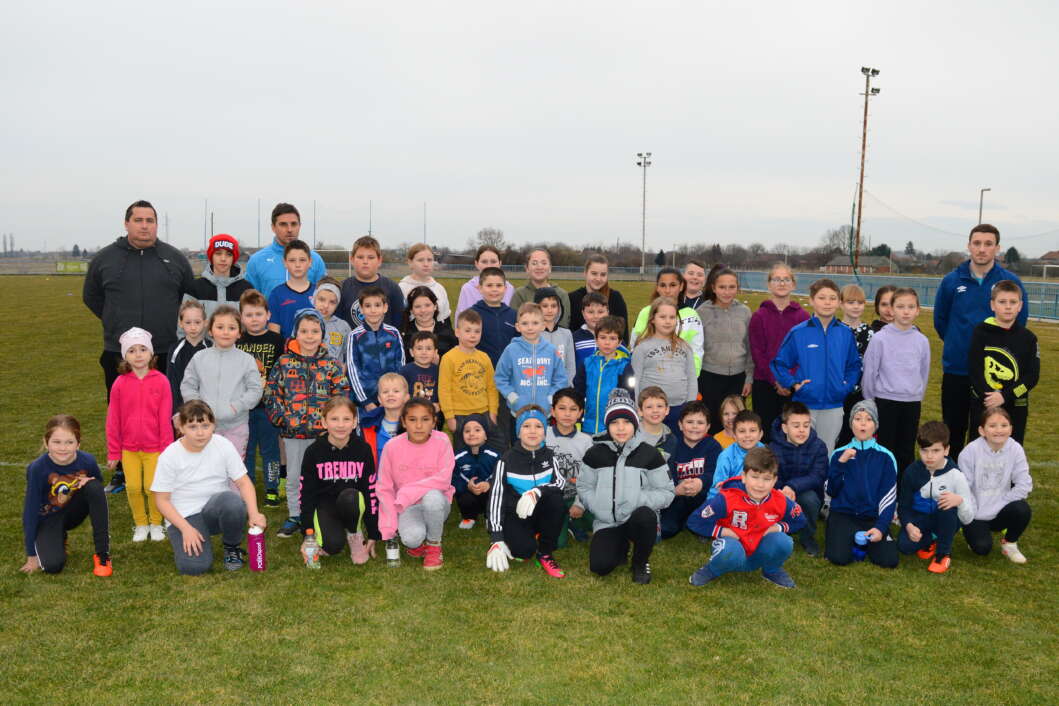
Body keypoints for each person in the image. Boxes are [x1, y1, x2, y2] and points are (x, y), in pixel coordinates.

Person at [84, 200, 193, 492]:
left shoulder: (173, 258)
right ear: (126, 223)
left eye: (150, 220)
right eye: (139, 220)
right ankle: (122, 469)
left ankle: (170, 468)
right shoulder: (106, 258)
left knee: (168, 410)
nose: (145, 225)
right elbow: (92, 297)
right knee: (123, 410)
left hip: (165, 350)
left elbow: (187, 296)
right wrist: (117, 326)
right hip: (120, 355)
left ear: (156, 224)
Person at [934, 224, 1028, 457]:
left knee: (986, 432)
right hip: (957, 369)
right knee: (954, 431)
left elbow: (1019, 322)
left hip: (992, 375)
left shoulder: (1009, 281)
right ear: (969, 246)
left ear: (997, 248)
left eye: (988, 244)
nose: (982, 249)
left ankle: (986, 485)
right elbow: (941, 321)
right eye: (977, 243)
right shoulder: (951, 281)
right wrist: (959, 344)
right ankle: (954, 481)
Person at [151, 400, 267, 575]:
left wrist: (254, 513)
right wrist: (185, 528)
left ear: (213, 425)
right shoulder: (169, 456)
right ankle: (194, 538)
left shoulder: (222, 444)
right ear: (181, 428)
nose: (200, 433)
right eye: (192, 427)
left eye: (205, 425)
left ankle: (232, 546)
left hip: (215, 509)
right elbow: (161, 500)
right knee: (195, 567)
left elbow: (243, 482)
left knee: (232, 502)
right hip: (185, 515)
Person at [265, 309, 350, 538]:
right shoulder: (283, 363)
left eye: (315, 331)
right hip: (294, 434)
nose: (310, 336)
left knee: (324, 474)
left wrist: (334, 424)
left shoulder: (331, 365)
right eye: (304, 331)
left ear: (322, 334)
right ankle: (295, 515)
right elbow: (272, 394)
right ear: (295, 334)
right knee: (294, 476)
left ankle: (323, 512)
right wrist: (282, 419)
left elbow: (341, 396)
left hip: (324, 435)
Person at [578, 389, 674, 583]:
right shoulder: (594, 453)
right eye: (614, 422)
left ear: (635, 424)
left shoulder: (649, 453)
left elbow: (666, 492)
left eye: (627, 422)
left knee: (646, 516)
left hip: (636, 519)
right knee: (600, 567)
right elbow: (584, 486)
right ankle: (620, 545)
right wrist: (596, 504)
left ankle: (640, 562)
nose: (621, 428)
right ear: (607, 425)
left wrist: (638, 500)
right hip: (607, 521)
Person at [687, 447, 806, 589]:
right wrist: (725, 532)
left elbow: (800, 520)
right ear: (744, 476)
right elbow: (695, 521)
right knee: (729, 549)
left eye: (767, 479)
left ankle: (771, 570)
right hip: (733, 548)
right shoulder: (727, 498)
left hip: (760, 548)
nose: (760, 485)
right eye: (754, 477)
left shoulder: (780, 500)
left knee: (784, 541)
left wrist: (776, 528)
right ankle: (712, 570)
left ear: (775, 480)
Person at [771, 278, 862, 457]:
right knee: (801, 451)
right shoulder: (799, 332)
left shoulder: (845, 333)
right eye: (822, 298)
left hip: (834, 404)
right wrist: (794, 385)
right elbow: (780, 363)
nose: (827, 302)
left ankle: (824, 485)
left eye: (832, 298)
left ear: (838, 302)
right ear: (812, 300)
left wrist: (845, 387)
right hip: (805, 405)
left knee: (827, 451)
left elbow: (854, 365)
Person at [21, 415, 111, 576]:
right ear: (46, 442)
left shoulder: (87, 460)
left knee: (94, 487)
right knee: (52, 566)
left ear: (78, 444)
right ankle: (58, 538)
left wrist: (89, 481)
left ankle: (103, 554)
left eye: (69, 442)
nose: (63, 448)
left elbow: (97, 488)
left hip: (73, 511)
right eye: (57, 442)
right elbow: (30, 510)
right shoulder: (37, 468)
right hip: (49, 518)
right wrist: (31, 555)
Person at [106, 327, 173, 542]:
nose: (138, 355)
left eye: (143, 349)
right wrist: (114, 451)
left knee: (153, 487)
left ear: (151, 353)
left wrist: (166, 449)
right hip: (129, 449)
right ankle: (140, 524)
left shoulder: (161, 381)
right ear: (125, 355)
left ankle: (156, 523)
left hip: (155, 448)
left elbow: (165, 418)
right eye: (132, 350)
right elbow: (113, 419)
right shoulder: (119, 384)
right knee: (134, 487)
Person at [485, 406, 568, 578]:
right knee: (522, 552)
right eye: (526, 426)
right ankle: (526, 537)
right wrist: (496, 538)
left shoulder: (550, 456)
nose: (532, 431)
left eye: (538, 426)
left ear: (545, 432)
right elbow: (496, 498)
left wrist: (538, 491)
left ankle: (545, 553)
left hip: (542, 509)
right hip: (516, 513)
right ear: (518, 432)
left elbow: (560, 483)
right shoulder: (506, 460)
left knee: (557, 501)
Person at [297, 396, 379, 565]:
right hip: (326, 505)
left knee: (351, 496)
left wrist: (373, 533)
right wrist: (308, 534)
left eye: (346, 419)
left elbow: (370, 491)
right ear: (324, 422)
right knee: (332, 546)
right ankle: (334, 531)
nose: (341, 425)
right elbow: (306, 494)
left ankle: (354, 534)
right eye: (334, 419)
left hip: (352, 503)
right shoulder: (314, 451)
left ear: (355, 422)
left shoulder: (363, 449)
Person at [861, 288, 931, 480]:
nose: (906, 311)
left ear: (918, 310)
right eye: (900, 306)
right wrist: (870, 401)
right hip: (885, 402)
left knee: (906, 450)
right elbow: (870, 371)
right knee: (885, 450)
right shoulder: (880, 338)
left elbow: (923, 372)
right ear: (892, 309)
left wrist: (917, 395)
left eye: (910, 307)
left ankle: (902, 494)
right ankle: (882, 492)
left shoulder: (922, 340)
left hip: (911, 403)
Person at [376, 399, 455, 570]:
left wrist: (407, 492)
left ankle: (434, 545)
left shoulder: (442, 441)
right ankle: (420, 542)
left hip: (438, 503)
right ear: (403, 422)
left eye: (425, 419)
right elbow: (384, 488)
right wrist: (389, 525)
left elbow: (444, 479)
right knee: (411, 540)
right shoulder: (392, 446)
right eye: (412, 419)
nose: (419, 425)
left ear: (434, 421)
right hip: (408, 506)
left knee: (432, 497)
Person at [823, 400, 899, 569]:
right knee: (838, 558)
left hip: (872, 517)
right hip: (843, 514)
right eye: (858, 418)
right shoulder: (838, 454)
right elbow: (831, 491)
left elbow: (889, 497)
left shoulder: (886, 457)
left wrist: (880, 527)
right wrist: (840, 464)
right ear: (851, 424)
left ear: (875, 425)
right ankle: (848, 538)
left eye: (868, 419)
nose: (863, 423)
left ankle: (872, 538)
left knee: (889, 560)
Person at [181, 306, 263, 461]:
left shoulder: (246, 360)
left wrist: (236, 406)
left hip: (236, 426)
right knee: (206, 466)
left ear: (239, 333)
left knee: (233, 468)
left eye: (231, 328)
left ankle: (232, 487)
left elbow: (255, 390)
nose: (225, 332)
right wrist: (199, 407)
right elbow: (188, 385)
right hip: (204, 427)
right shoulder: (199, 357)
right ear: (210, 331)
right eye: (220, 327)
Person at [897, 421, 976, 574]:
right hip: (920, 518)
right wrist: (908, 525)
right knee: (905, 547)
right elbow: (904, 506)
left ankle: (942, 554)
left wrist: (959, 501)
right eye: (924, 450)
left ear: (946, 450)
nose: (930, 456)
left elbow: (968, 519)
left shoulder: (956, 475)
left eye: (936, 450)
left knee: (947, 504)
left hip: (946, 518)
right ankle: (931, 538)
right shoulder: (912, 472)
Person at [958, 407, 1033, 563]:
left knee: (1022, 509)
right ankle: (973, 534)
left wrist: (1000, 503)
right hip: (975, 512)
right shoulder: (970, 451)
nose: (999, 430)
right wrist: (973, 512)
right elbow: (964, 487)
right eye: (992, 426)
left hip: (1000, 509)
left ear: (1011, 429)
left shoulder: (1015, 448)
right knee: (982, 548)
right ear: (982, 430)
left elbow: (1024, 484)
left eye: (1004, 425)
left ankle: (1010, 544)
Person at [968, 280, 1039, 445]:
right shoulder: (980, 332)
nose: (1008, 307)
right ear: (992, 305)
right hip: (984, 403)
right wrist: (990, 398)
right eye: (1002, 302)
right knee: (979, 451)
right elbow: (975, 369)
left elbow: (1032, 376)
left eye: (1013, 302)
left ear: (1020, 306)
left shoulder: (1029, 338)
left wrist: (1005, 396)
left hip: (1016, 405)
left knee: (1010, 452)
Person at [748, 263, 809, 441]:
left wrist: (789, 381)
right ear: (769, 284)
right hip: (766, 384)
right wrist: (776, 380)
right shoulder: (759, 316)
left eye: (786, 279)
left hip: (793, 386)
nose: (781, 283)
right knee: (766, 433)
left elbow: (803, 353)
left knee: (792, 434)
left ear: (793, 284)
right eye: (776, 279)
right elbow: (758, 352)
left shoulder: (803, 316)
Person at [236, 289, 284, 504]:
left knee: (270, 450)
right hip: (243, 408)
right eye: (248, 315)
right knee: (246, 450)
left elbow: (284, 372)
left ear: (268, 315)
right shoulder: (237, 341)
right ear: (241, 318)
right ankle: (249, 488)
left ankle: (272, 488)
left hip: (268, 407)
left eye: (258, 314)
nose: (254, 319)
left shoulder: (276, 340)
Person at [695, 267, 753, 434]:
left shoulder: (744, 312)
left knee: (736, 422)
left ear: (737, 287)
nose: (727, 292)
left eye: (731, 287)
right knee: (713, 421)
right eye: (722, 287)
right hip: (710, 377)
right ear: (713, 288)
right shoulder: (702, 312)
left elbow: (750, 347)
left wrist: (749, 378)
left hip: (738, 378)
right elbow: (696, 348)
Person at [768, 402, 828, 557]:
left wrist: (793, 486)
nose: (802, 430)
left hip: (806, 492)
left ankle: (807, 537)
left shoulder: (818, 446)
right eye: (796, 426)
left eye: (806, 425)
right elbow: (770, 475)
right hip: (779, 491)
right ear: (785, 428)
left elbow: (818, 475)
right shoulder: (773, 448)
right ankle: (778, 532)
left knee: (809, 499)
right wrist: (783, 490)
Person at [632, 298, 698, 433]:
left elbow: (692, 378)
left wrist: (690, 406)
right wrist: (638, 407)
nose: (668, 321)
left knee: (675, 447)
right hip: (651, 410)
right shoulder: (642, 347)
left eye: (672, 317)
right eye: (662, 317)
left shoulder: (685, 347)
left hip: (679, 408)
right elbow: (635, 380)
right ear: (652, 319)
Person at [495, 303, 568, 419]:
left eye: (535, 323)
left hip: (545, 411)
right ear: (518, 327)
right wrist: (513, 397)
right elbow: (500, 377)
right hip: (518, 412)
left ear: (543, 326)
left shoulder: (551, 351)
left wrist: (550, 398)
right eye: (525, 323)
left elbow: (561, 379)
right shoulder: (511, 350)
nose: (530, 327)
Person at [660, 402, 721, 540]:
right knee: (666, 530)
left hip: (703, 496)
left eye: (700, 422)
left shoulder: (713, 446)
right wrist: (676, 489)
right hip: (679, 497)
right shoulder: (673, 445)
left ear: (708, 427)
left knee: (712, 515)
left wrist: (701, 482)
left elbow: (714, 473)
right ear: (680, 425)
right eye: (690, 422)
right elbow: (667, 473)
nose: (694, 426)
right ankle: (685, 522)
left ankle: (696, 523)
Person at [245, 203, 326, 298]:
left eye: (294, 224)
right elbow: (249, 302)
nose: (289, 229)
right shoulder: (256, 261)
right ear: (273, 227)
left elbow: (324, 298)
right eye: (283, 224)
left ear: (300, 226)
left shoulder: (315, 259)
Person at [630, 268, 704, 373]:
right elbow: (635, 345)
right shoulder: (645, 313)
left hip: (680, 379)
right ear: (657, 288)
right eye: (663, 285)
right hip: (650, 377)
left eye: (673, 285)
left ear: (681, 286)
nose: (667, 290)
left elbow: (696, 351)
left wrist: (691, 377)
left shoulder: (691, 315)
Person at [545, 388, 594, 544]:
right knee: (557, 543)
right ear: (552, 411)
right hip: (550, 498)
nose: (567, 414)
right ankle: (562, 522)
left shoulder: (586, 441)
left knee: (601, 522)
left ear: (580, 413)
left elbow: (590, 476)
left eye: (573, 409)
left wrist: (579, 503)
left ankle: (574, 521)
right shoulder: (543, 436)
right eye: (562, 408)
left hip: (575, 495)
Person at [438, 310, 499, 433]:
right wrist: (450, 417)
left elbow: (492, 387)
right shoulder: (449, 358)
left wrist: (493, 412)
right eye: (468, 331)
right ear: (457, 332)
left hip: (483, 413)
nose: (473, 335)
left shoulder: (484, 357)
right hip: (459, 415)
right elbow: (444, 390)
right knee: (462, 451)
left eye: (477, 331)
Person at [346, 286, 405, 412]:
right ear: (361, 309)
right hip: (365, 402)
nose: (373, 310)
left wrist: (397, 394)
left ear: (385, 307)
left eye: (377, 305)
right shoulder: (355, 336)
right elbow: (353, 371)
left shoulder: (393, 333)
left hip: (392, 398)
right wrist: (365, 401)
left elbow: (400, 365)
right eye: (368, 306)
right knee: (367, 431)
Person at [573, 315, 633, 436]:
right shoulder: (587, 364)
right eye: (603, 337)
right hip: (587, 427)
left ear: (619, 342)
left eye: (612, 338)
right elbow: (578, 394)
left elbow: (629, 399)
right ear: (596, 339)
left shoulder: (625, 367)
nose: (607, 342)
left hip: (612, 429)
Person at [338, 235, 405, 330]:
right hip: (352, 343)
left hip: (384, 344)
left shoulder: (392, 288)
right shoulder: (342, 288)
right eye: (360, 257)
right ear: (352, 260)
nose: (365, 261)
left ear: (379, 260)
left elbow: (398, 323)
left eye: (371, 257)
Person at [834, 283, 873, 447]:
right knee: (837, 433)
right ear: (841, 304)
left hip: (861, 393)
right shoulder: (834, 330)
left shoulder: (871, 333)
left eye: (860, 302)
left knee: (857, 433)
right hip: (837, 392)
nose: (856, 306)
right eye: (851, 302)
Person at [186, 234, 253, 320]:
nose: (223, 258)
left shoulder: (247, 289)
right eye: (218, 253)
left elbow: (252, 324)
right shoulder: (194, 288)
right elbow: (184, 325)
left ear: (234, 258)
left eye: (229, 254)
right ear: (211, 256)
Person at [452, 414, 501, 530]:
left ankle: (490, 517)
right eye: (467, 431)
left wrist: (489, 484)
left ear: (485, 435)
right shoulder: (458, 457)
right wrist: (467, 486)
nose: (471, 434)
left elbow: (500, 475)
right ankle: (469, 516)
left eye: (477, 430)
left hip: (488, 492)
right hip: (469, 493)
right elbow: (454, 478)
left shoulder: (495, 455)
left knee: (495, 495)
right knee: (464, 498)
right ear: (462, 435)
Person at [568, 254, 629, 340]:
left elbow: (623, 335)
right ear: (585, 273)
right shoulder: (572, 298)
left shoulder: (615, 298)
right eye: (594, 274)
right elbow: (568, 334)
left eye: (603, 275)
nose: (598, 278)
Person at [708, 409, 765, 498]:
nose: (747, 435)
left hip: (760, 499)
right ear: (734, 435)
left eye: (752, 430)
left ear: (760, 434)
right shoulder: (726, 456)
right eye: (742, 431)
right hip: (733, 500)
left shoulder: (766, 453)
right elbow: (716, 489)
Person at [509, 248, 572, 328]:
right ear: (527, 268)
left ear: (550, 268)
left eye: (544, 263)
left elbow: (564, 324)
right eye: (534, 263)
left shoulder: (561, 294)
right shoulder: (519, 294)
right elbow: (515, 323)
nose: (539, 267)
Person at [167, 299, 211, 413]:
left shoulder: (212, 348)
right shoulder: (175, 350)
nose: (193, 327)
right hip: (183, 411)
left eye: (197, 322)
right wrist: (176, 414)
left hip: (208, 410)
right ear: (180, 323)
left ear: (205, 322)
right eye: (188, 322)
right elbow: (172, 385)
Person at [267, 240, 316, 339]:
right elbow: (274, 333)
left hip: (315, 352)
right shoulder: (277, 294)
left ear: (310, 262)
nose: (297, 265)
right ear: (285, 263)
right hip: (286, 352)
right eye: (292, 260)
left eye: (302, 260)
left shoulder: (319, 292)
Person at [359, 373, 411, 463]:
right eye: (385, 392)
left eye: (396, 391)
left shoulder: (414, 425)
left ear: (406, 397)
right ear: (379, 399)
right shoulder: (368, 424)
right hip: (379, 476)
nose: (390, 394)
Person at [471, 266, 518, 366]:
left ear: (505, 289)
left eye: (498, 285)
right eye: (489, 285)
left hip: (508, 371)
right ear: (480, 288)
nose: (494, 289)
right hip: (480, 369)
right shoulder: (472, 314)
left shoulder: (513, 315)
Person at [454, 245, 515, 318]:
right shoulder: (467, 289)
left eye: (493, 261)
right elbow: (460, 320)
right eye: (484, 261)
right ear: (476, 264)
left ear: (500, 263)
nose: (489, 265)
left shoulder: (509, 288)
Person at [398, 243, 451, 324]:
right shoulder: (401, 288)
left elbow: (445, 320)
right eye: (420, 260)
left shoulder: (439, 288)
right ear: (410, 262)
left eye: (429, 260)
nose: (426, 264)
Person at [401, 286, 457, 362]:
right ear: (411, 310)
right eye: (417, 306)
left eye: (427, 305)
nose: (423, 310)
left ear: (435, 306)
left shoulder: (447, 333)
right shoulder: (405, 335)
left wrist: (439, 364)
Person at [573, 292, 630, 365]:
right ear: (583, 313)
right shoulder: (575, 338)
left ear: (608, 312)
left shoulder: (615, 337)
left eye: (600, 312)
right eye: (590, 312)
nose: (596, 316)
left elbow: (625, 362)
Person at [535, 287, 576, 385]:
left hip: (561, 389)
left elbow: (570, 366)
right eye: (545, 306)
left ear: (559, 308)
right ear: (537, 308)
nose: (549, 310)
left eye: (553, 306)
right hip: (538, 389)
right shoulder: (532, 334)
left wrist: (568, 386)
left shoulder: (566, 334)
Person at [400, 332, 441, 420]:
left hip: (431, 416)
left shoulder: (438, 371)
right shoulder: (405, 371)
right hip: (411, 414)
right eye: (419, 348)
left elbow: (443, 392)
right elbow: (400, 394)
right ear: (411, 352)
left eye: (429, 348)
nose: (424, 352)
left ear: (435, 352)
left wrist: (439, 404)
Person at [313, 277, 351, 366]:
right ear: (314, 299)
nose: (326, 305)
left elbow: (350, 354)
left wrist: (343, 369)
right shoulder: (303, 322)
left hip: (334, 377)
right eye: (322, 299)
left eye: (332, 302)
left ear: (337, 305)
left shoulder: (343, 327)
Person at [637, 387, 675, 460]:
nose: (655, 410)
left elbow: (670, 469)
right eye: (649, 407)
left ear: (667, 410)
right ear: (640, 411)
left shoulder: (671, 440)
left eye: (659, 406)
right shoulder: (630, 435)